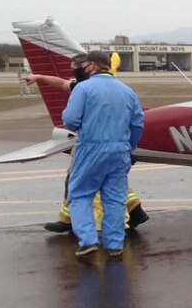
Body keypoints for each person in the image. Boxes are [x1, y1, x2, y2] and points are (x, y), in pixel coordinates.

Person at [24, 54, 149, 235]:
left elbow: (71, 119)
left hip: (92, 144)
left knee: (78, 180)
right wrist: (40, 77)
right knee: (111, 179)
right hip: (116, 145)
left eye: (75, 66)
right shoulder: (117, 87)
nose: (74, 69)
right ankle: (134, 212)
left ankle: (83, 227)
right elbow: (61, 83)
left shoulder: (84, 87)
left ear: (88, 65)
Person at [59, 50, 145, 258]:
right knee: (115, 198)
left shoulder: (83, 89)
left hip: (91, 148)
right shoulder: (127, 91)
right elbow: (138, 124)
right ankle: (115, 244)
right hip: (120, 151)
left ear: (92, 65)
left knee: (79, 194)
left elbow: (70, 120)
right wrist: (128, 145)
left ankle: (88, 240)